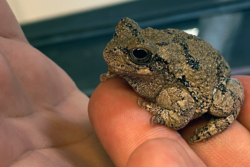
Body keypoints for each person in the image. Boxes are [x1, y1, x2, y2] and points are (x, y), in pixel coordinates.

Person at [1, 0, 250, 166]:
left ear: (152, 62)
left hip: (208, 81)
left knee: (220, 106)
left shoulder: (171, 86)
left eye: (139, 55)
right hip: (180, 55)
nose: (111, 51)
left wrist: (167, 115)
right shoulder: (141, 60)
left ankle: (225, 118)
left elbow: (181, 111)